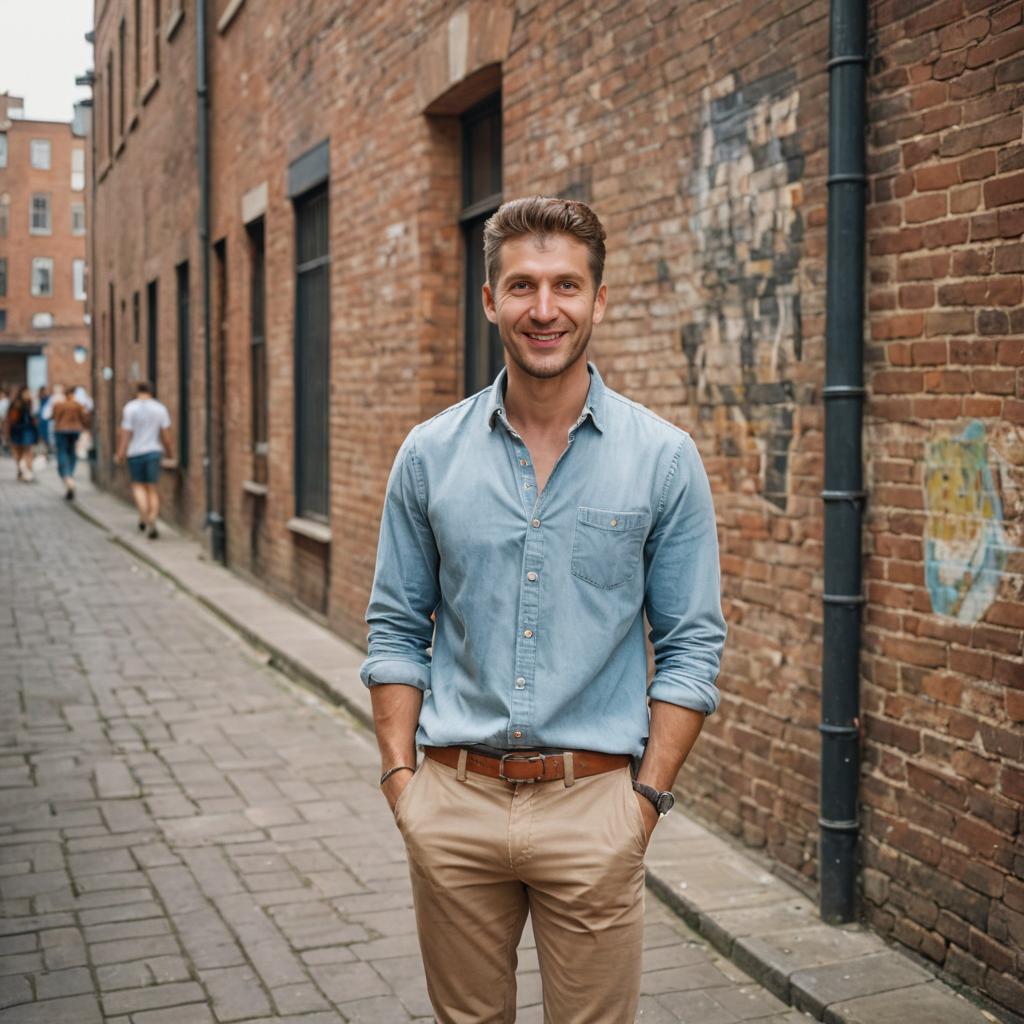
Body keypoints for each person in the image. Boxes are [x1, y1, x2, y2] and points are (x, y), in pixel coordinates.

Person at [361, 196, 727, 1023]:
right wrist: (401, 783)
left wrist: (644, 804)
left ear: (599, 300)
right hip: (453, 799)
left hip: (595, 805)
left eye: (567, 286)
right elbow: (393, 627)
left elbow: (693, 645)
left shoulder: (662, 461)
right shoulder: (429, 456)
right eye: (522, 286)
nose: (544, 308)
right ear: (489, 300)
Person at [115, 381, 172, 539]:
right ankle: (153, 516)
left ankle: (145, 517)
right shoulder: (160, 408)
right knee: (152, 487)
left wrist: (120, 453)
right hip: (154, 450)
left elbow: (126, 433)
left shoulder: (130, 408)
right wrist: (170, 453)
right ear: (151, 392)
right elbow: (166, 435)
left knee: (138, 486)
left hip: (135, 452)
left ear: (137, 391)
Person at [51, 384, 91, 500]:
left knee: (62, 452)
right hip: (75, 430)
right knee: (72, 452)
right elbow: (85, 419)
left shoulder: (59, 405)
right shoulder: (78, 405)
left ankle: (67, 477)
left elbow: (53, 417)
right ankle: (70, 475)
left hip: (61, 430)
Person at [5, 386, 40, 481]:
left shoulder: (30, 403)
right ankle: (22, 470)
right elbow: (11, 419)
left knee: (27, 450)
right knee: (20, 451)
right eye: (28, 392)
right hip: (20, 430)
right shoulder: (17, 404)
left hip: (27, 430)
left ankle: (27, 471)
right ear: (23, 393)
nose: (29, 394)